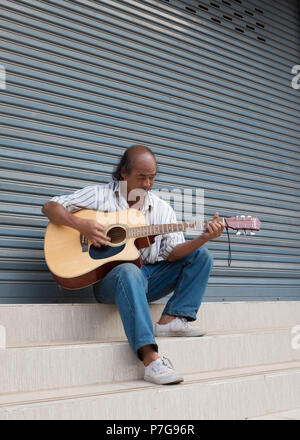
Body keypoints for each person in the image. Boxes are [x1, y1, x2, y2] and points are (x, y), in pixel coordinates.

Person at [42, 145, 224, 385]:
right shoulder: (100, 196)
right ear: (123, 173)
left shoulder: (161, 209)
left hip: (148, 278)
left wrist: (202, 238)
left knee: (201, 255)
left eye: (153, 177)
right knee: (128, 270)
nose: (148, 184)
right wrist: (80, 225)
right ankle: (151, 361)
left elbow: (172, 255)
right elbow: (50, 207)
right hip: (110, 281)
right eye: (142, 177)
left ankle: (172, 320)